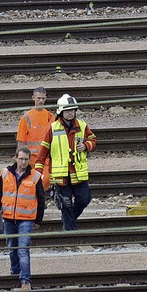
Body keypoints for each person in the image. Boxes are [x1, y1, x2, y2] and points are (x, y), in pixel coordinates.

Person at [35, 94, 97, 231]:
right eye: (68, 110)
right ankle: (70, 232)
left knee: (84, 199)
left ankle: (69, 222)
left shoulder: (82, 125)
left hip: (78, 173)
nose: (71, 113)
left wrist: (86, 145)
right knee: (66, 204)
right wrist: (37, 174)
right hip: (61, 175)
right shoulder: (52, 128)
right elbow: (42, 153)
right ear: (61, 112)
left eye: (73, 110)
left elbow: (93, 140)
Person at [0, 147, 46, 291]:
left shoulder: (35, 176)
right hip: (8, 217)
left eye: (26, 159)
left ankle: (25, 280)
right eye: (21, 159)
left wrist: (38, 221)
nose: (23, 162)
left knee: (23, 249)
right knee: (12, 248)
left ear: (29, 160)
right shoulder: (5, 173)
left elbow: (41, 200)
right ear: (15, 158)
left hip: (26, 219)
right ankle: (14, 273)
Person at [16, 86, 55, 191]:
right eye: (39, 98)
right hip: (30, 161)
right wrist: (21, 160)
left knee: (44, 182)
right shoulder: (26, 118)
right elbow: (21, 142)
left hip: (45, 161)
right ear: (33, 98)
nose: (41, 101)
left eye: (43, 98)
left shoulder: (50, 117)